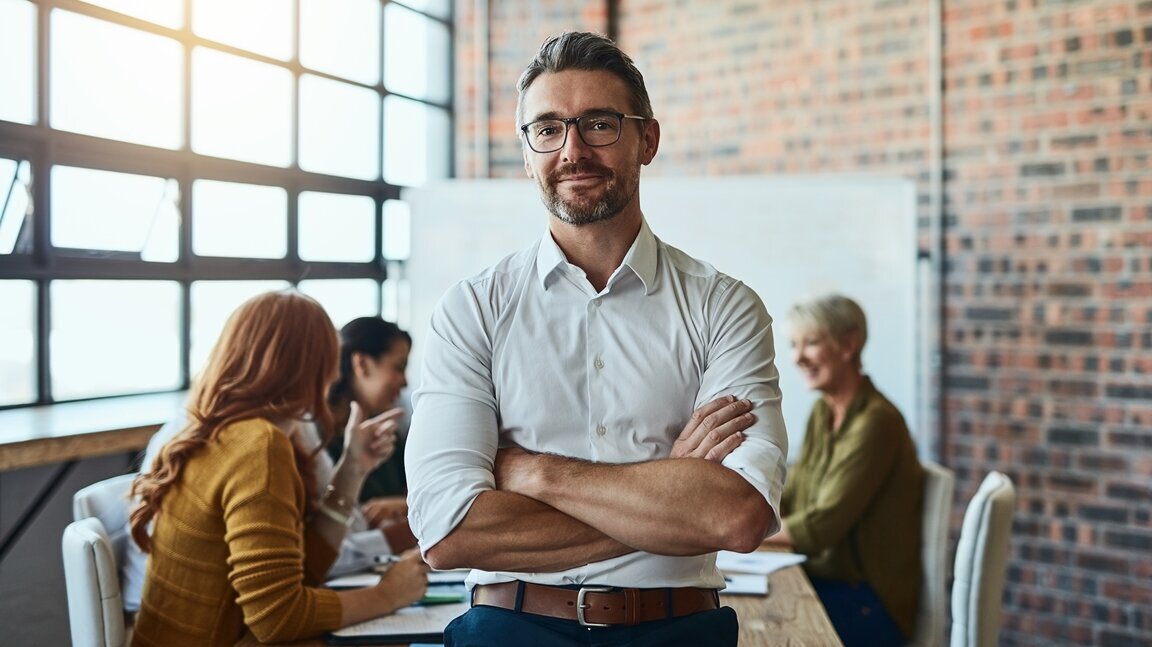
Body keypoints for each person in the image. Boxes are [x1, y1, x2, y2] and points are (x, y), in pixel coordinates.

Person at [405, 31, 789, 646]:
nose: (572, 149)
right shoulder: (473, 309)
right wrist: (671, 485)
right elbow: (450, 532)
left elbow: (737, 515)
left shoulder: (725, 307)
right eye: (548, 128)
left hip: (677, 629)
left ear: (648, 139)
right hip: (508, 629)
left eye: (600, 125)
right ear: (528, 151)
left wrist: (533, 473)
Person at [128, 290, 427, 647]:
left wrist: (351, 471)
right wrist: (387, 595)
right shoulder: (259, 446)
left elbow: (301, 573)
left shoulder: (227, 430)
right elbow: (278, 617)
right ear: (310, 365)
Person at [765, 294, 924, 646]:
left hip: (868, 604)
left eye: (812, 342)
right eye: (794, 344)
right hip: (828, 582)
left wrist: (737, 532)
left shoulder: (876, 422)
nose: (797, 357)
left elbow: (821, 526)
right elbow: (790, 497)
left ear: (849, 344)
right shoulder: (823, 412)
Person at [325, 317, 416, 550]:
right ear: (362, 364)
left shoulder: (392, 437)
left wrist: (403, 505)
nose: (404, 382)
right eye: (398, 367)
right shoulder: (317, 441)